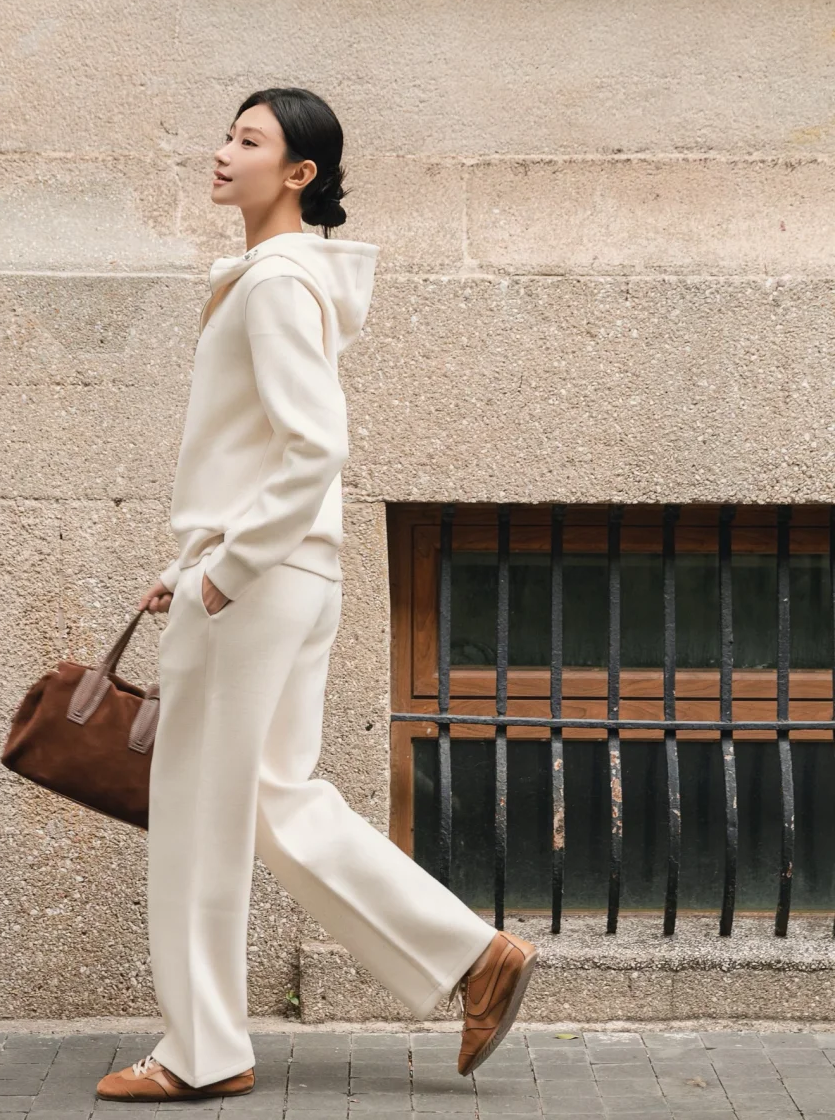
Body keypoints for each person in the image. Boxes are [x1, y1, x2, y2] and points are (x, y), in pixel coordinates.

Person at [97, 87, 536, 1104]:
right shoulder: (279, 278)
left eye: (250, 141)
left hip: (255, 582)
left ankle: (201, 1049)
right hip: (278, 574)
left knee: (202, 810)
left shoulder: (276, 283)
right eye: (228, 133)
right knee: (275, 801)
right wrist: (201, 564)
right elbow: (270, 453)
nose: (223, 151)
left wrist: (219, 569)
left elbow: (315, 446)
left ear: (299, 172)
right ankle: (473, 956)